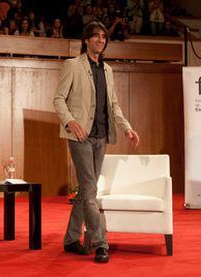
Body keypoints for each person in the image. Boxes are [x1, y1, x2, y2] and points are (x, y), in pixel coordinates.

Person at [53, 21, 139, 263]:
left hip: (101, 136)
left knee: (86, 191)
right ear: (86, 40)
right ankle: (101, 243)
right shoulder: (73, 65)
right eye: (96, 36)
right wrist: (71, 122)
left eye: (103, 37)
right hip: (80, 136)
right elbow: (58, 99)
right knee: (91, 190)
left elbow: (113, 105)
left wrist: (127, 128)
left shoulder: (108, 70)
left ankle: (71, 239)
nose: (100, 40)